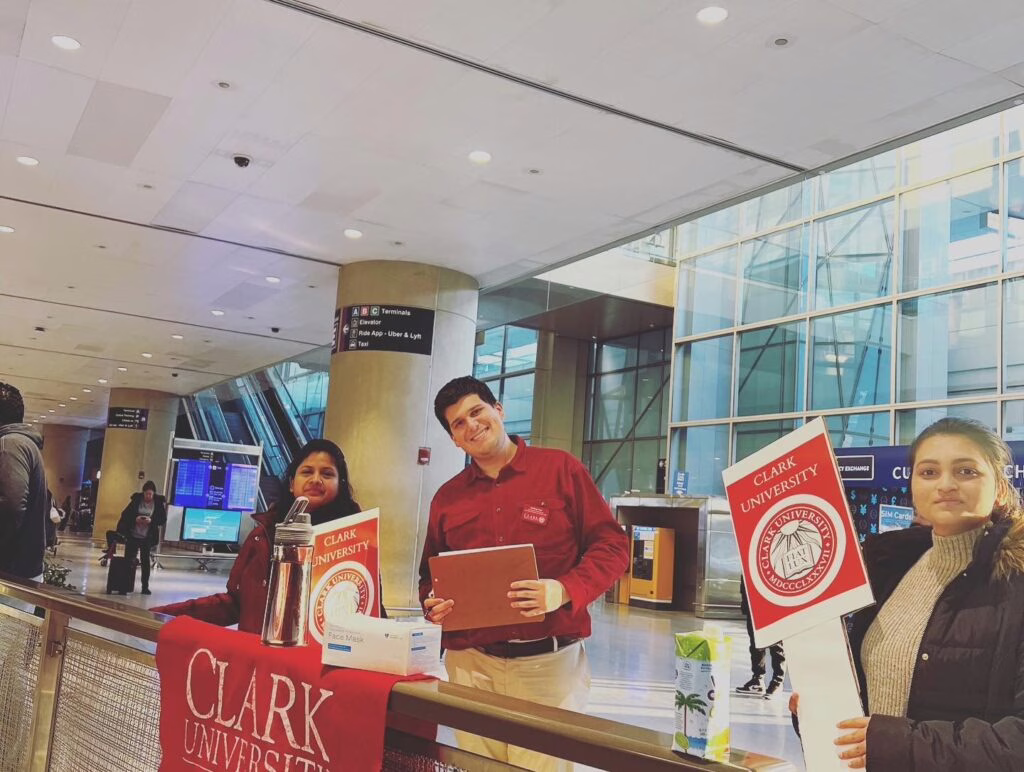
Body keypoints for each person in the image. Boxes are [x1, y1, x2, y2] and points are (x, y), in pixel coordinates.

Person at [419, 376, 630, 772]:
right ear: (454, 440)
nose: (471, 425)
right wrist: (433, 605)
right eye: (458, 423)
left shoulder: (561, 470)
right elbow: (429, 576)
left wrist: (564, 589)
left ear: (498, 410)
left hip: (548, 666)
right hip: (471, 667)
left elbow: (613, 545)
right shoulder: (447, 498)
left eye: (477, 411)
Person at [800, 417, 1024, 771]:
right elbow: (870, 708)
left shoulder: (1016, 585)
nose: (946, 484)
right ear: (914, 487)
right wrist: (824, 711)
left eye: (966, 471)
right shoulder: (890, 569)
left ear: (999, 488)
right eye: (929, 472)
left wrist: (894, 744)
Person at [153, 439, 369, 631]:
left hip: (319, 660)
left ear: (340, 485)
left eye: (327, 474)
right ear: (291, 484)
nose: (315, 479)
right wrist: (163, 615)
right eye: (307, 472)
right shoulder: (263, 536)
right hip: (260, 659)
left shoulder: (354, 541)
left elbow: (367, 605)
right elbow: (236, 603)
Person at [0, 382, 48, 580]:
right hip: (22, 568)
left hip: (10, 570)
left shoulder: (9, 444)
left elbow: (10, 507)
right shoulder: (23, 443)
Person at [736, 579, 786, 698]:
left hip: (772, 595)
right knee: (756, 642)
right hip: (752, 595)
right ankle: (758, 680)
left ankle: (777, 681)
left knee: (776, 641)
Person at [115, 481, 167, 595]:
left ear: (153, 494)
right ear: (143, 493)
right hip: (133, 534)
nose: (148, 496)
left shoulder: (158, 503)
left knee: (145, 562)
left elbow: (162, 519)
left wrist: (151, 521)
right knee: (128, 560)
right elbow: (125, 514)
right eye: (146, 494)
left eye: (150, 494)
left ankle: (145, 587)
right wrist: (135, 519)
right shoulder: (136, 500)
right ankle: (124, 586)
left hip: (147, 537)